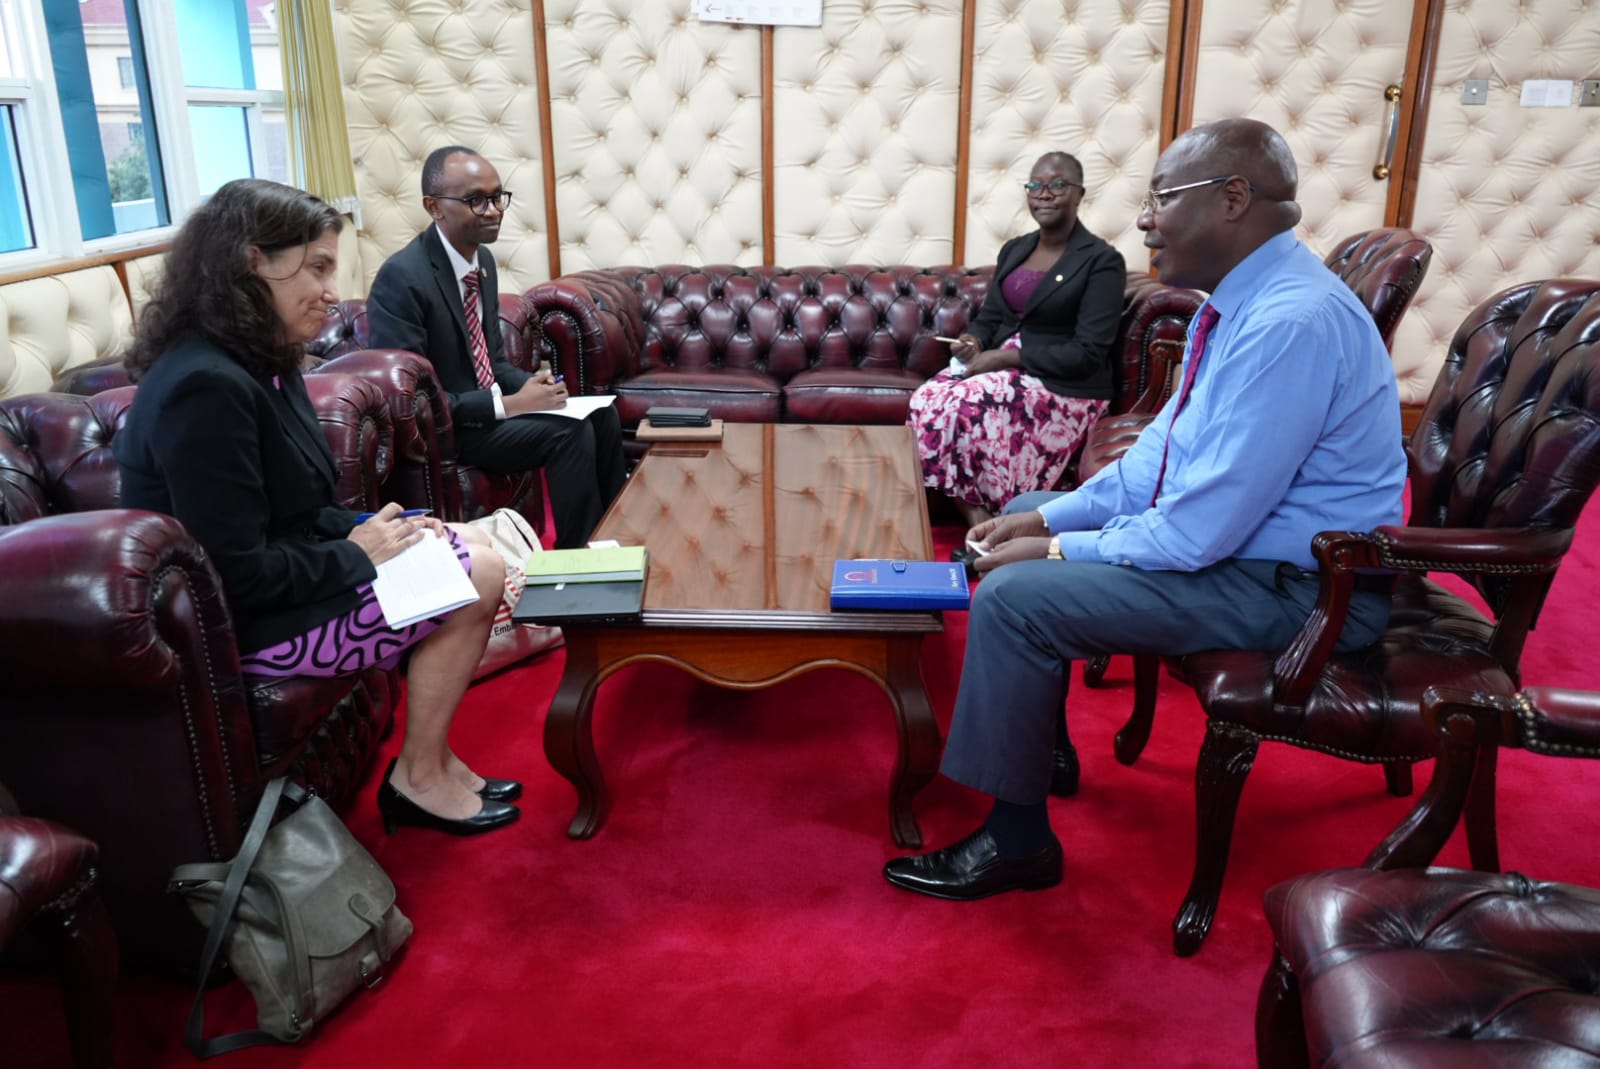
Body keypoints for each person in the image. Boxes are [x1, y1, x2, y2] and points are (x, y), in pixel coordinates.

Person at [883, 119, 1407, 901]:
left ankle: (1017, 842)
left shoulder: (1288, 323)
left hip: (1308, 588)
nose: (1143, 218)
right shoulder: (1237, 303)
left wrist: (1054, 555)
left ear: (1234, 198)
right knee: (1030, 505)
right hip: (1252, 556)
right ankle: (1040, 748)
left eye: (1162, 196)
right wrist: (1050, 520)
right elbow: (1160, 456)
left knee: (1016, 598)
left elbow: (1199, 530)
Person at [115, 179, 520, 837]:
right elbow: (232, 573)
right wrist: (356, 554)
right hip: (246, 632)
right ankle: (417, 777)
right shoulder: (203, 386)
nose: (334, 292)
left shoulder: (259, 361)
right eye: (318, 268)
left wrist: (382, 526)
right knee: (476, 574)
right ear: (253, 263)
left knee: (465, 549)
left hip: (289, 591)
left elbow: (300, 511)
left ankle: (436, 762)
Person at [366, 145, 626, 549]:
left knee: (600, 415)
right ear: (434, 207)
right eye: (476, 200)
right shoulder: (402, 279)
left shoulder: (481, 262)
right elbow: (410, 405)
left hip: (488, 414)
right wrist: (511, 405)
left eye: (497, 197)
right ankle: (577, 562)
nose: (493, 210)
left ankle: (610, 538)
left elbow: (491, 361)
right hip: (450, 431)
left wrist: (541, 388)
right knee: (568, 434)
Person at [908, 151, 1125, 546]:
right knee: (928, 398)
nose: (1044, 194)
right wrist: (974, 342)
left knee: (973, 401)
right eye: (1035, 186)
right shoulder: (1016, 249)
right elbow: (992, 318)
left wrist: (1007, 358)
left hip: (1064, 379)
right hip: (1007, 368)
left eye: (1057, 185)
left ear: (1079, 194)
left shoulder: (1101, 261)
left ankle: (997, 530)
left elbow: (1089, 351)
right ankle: (984, 524)